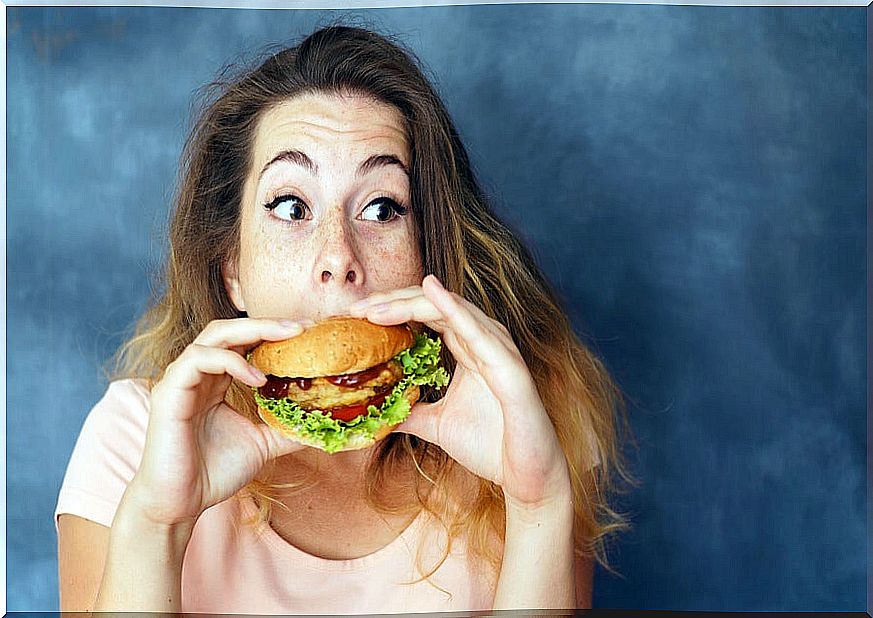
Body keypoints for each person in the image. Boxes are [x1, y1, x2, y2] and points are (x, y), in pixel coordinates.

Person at [55, 23, 635, 613]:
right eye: (290, 206)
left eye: (382, 208)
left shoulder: (527, 427)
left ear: (428, 255)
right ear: (232, 267)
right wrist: (157, 521)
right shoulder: (133, 441)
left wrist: (538, 506)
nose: (338, 257)